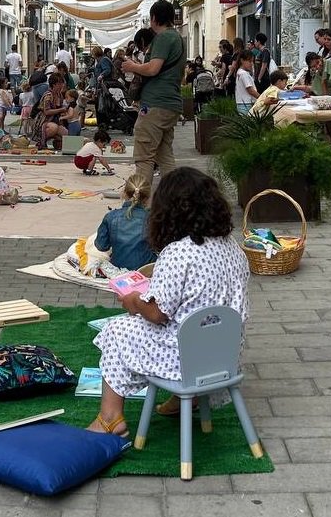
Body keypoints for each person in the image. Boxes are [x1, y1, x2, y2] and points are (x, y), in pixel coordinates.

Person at [87, 168, 249, 436]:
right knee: (190, 323)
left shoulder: (179, 253)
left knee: (116, 330)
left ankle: (110, 417)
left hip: (183, 356)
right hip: (222, 353)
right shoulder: (232, 247)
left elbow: (158, 313)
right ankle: (188, 399)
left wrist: (135, 301)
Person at [121, 0, 185, 186]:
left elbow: (153, 69)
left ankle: (141, 205)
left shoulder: (163, 38)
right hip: (170, 104)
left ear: (154, 18)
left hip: (155, 105)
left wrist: (133, 66)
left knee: (144, 157)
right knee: (165, 156)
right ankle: (173, 203)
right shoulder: (177, 37)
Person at [91, 174, 155, 272]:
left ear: (124, 193)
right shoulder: (152, 218)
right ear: (147, 197)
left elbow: (101, 246)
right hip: (145, 269)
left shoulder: (111, 216)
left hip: (118, 266)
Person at [32, 72, 69, 149]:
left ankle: (56, 141)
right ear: (54, 84)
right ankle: (41, 141)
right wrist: (61, 110)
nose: (61, 86)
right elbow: (47, 112)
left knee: (66, 135)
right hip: (43, 122)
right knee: (54, 128)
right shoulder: (48, 95)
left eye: (62, 83)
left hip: (54, 121)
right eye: (59, 84)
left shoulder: (60, 95)